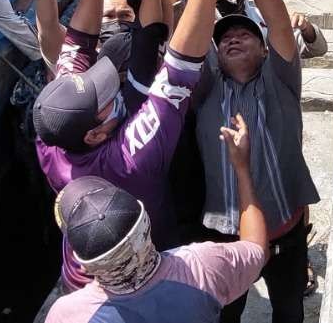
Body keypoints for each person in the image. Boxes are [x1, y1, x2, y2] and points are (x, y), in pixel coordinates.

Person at [33, 0, 227, 291]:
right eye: (106, 98)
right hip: (149, 276)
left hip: (78, 282)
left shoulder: (51, 136)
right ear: (94, 133)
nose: (113, 90)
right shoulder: (131, 158)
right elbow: (179, 71)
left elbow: (77, 44)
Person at [44, 111, 268, 323]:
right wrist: (241, 167)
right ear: (145, 224)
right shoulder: (202, 267)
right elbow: (257, 249)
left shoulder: (68, 315)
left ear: (81, 262)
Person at [195, 0, 319, 323]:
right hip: (223, 239)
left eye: (245, 34)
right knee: (224, 316)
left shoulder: (279, 83)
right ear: (215, 57)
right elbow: (188, 42)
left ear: (265, 50)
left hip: (286, 233)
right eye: (225, 38)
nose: (233, 38)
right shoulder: (204, 91)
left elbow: (279, 24)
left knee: (288, 311)